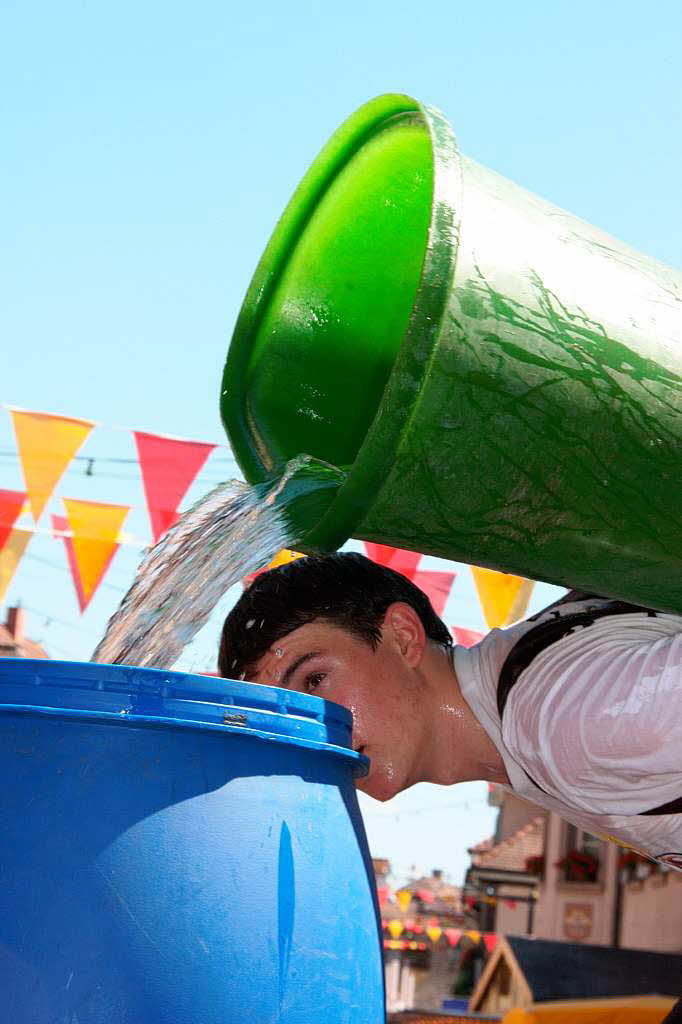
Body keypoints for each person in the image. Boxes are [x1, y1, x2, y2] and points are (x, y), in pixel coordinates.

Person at [218, 551, 682, 869]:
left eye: (314, 680)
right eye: (283, 716)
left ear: (402, 636)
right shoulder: (529, 717)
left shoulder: (562, 718)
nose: (308, 729)